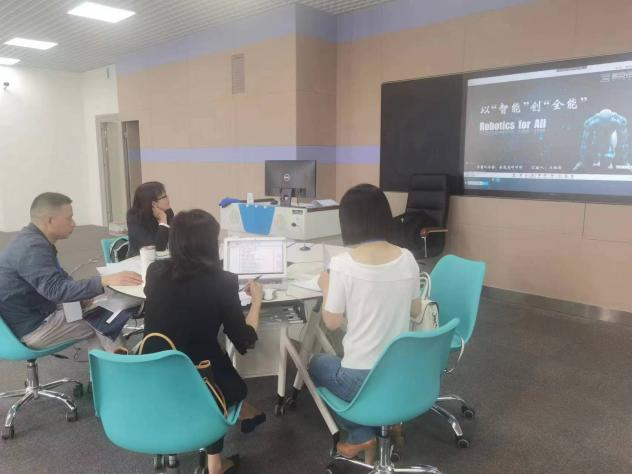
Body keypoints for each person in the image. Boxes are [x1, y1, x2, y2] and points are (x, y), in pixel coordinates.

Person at [142, 209, 265, 474]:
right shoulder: (222, 281)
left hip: (152, 379)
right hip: (202, 382)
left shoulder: (155, 271)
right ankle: (215, 464)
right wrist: (257, 301)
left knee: (207, 356)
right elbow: (244, 341)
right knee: (219, 378)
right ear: (211, 244)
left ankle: (248, 415)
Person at [308, 184, 422, 462]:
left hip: (360, 378)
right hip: (400, 375)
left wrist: (326, 286)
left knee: (316, 364)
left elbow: (331, 322)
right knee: (342, 368)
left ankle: (361, 435)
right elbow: (415, 310)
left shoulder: (342, 264)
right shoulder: (407, 258)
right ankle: (389, 421)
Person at [0, 192, 143, 351]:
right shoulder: (32, 248)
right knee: (103, 317)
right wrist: (104, 280)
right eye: (69, 218)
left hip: (36, 312)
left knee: (100, 306)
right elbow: (56, 290)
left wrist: (81, 296)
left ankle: (106, 365)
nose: (74, 224)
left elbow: (59, 277)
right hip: (33, 328)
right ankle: (123, 364)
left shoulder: (31, 239)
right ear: (50, 220)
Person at [126, 181, 174, 258]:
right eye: (164, 197)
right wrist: (163, 221)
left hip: (163, 258)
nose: (168, 199)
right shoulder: (134, 217)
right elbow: (156, 249)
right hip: (139, 260)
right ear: (154, 203)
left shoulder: (168, 212)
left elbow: (174, 240)